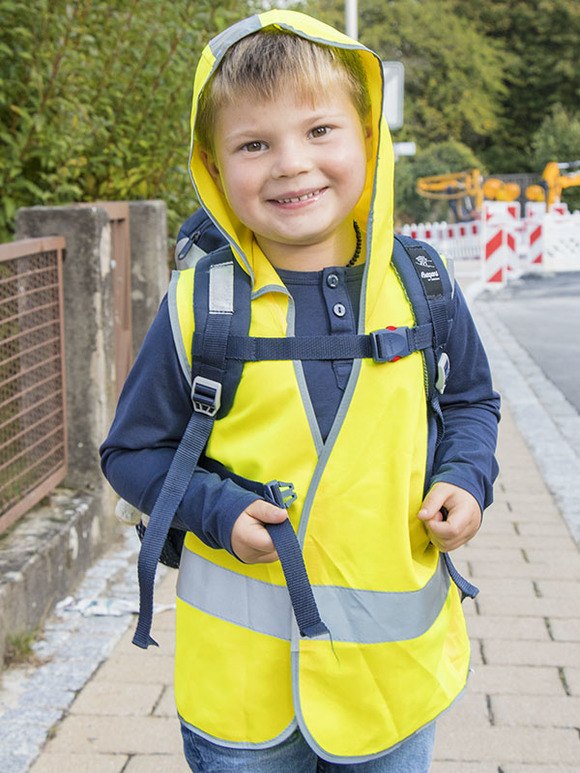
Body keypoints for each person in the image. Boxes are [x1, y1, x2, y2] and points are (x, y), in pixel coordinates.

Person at [100, 9, 500, 772]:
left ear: (369, 136)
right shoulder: (199, 304)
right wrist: (215, 510)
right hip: (243, 701)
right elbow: (131, 450)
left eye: (320, 131)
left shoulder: (422, 285)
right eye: (255, 143)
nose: (291, 164)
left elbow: (472, 402)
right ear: (214, 168)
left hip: (392, 688)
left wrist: (465, 478)